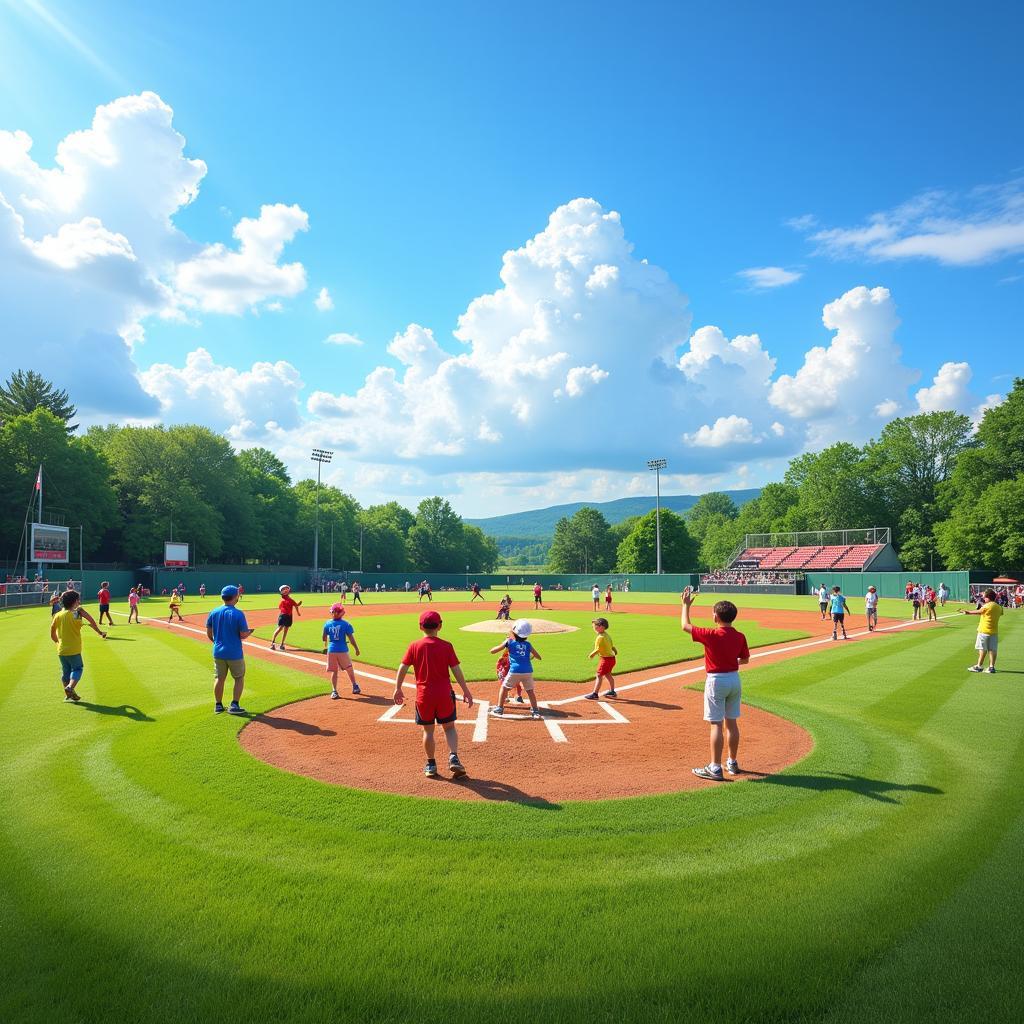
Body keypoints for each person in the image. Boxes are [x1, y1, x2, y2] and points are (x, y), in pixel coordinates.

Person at [393, 610, 473, 778]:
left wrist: (398, 688)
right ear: (440, 626)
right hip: (444, 694)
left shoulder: (414, 646)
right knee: (449, 727)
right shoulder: (446, 645)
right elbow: (456, 669)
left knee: (428, 731)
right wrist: (465, 690)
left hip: (424, 696)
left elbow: (403, 667)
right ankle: (454, 757)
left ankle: (431, 765)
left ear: (420, 626)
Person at [680, 588, 749, 781]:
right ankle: (732, 763)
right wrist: (729, 660)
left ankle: (715, 767)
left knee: (716, 724)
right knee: (732, 723)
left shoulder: (711, 634)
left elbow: (685, 626)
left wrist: (685, 605)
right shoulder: (739, 636)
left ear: (716, 617)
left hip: (716, 681)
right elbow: (744, 660)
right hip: (734, 679)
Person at [50, 589, 106, 701]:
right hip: (74, 649)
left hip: (61, 650)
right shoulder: (78, 613)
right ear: (75, 601)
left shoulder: (58, 615)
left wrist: (57, 642)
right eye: (78, 600)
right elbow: (91, 621)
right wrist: (100, 632)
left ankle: (69, 694)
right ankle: (70, 687)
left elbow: (52, 632)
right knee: (77, 668)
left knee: (66, 672)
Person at [205, 585, 253, 715]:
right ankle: (234, 705)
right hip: (234, 652)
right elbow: (243, 634)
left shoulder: (214, 612)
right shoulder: (238, 613)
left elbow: (209, 633)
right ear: (235, 597)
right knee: (239, 678)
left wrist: (215, 642)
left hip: (218, 652)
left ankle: (218, 705)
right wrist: (249, 633)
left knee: (219, 678)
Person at [489, 620, 543, 719]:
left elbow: (493, 651)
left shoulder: (509, 642)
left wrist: (500, 646)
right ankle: (535, 710)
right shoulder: (528, 644)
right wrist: (530, 656)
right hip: (528, 671)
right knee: (530, 691)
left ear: (514, 632)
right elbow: (538, 656)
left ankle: (499, 708)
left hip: (514, 670)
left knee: (504, 688)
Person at [322, 603, 361, 698]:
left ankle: (334, 691)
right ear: (340, 613)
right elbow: (351, 639)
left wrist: (329, 640)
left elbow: (324, 638)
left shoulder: (327, 624)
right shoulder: (346, 624)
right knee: (349, 667)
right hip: (342, 650)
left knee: (334, 671)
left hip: (331, 650)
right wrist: (356, 649)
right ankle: (355, 686)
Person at [963, 588, 1002, 673]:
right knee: (992, 650)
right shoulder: (999, 607)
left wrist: (968, 612)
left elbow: (980, 611)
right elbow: (996, 613)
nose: (984, 598)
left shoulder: (987, 606)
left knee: (982, 649)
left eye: (985, 597)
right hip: (994, 632)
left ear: (988, 597)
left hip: (984, 631)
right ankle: (991, 667)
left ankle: (979, 666)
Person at [585, 616, 618, 699]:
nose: (594, 627)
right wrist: (614, 650)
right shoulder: (606, 635)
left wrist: (591, 654)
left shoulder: (600, 637)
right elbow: (611, 645)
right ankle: (612, 691)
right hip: (612, 659)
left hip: (606, 659)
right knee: (608, 674)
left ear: (602, 627)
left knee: (599, 675)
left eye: (596, 625)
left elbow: (598, 649)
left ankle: (595, 694)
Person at [270, 585, 302, 651]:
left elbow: (296, 605)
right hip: (283, 615)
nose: (286, 590)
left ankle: (282, 644)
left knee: (286, 630)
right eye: (284, 589)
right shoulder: (282, 599)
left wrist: (298, 611)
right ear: (281, 592)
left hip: (289, 616)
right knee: (280, 628)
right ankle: (272, 643)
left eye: (287, 589)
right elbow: (280, 607)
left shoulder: (290, 599)